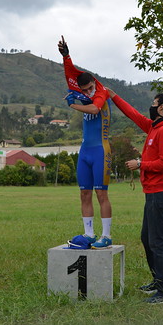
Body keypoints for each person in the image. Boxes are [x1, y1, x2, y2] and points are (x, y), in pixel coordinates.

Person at [107, 88, 163, 304]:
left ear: (161, 107)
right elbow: (133, 115)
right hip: (152, 193)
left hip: (160, 192)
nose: (151, 105)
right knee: (147, 238)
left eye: (154, 102)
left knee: (157, 242)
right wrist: (114, 96)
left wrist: (140, 164)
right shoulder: (153, 127)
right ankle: (159, 280)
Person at [58, 36, 113, 249]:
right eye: (84, 90)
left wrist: (73, 105)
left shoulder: (101, 92)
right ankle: (89, 234)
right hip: (85, 151)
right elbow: (70, 70)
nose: (88, 92)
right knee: (84, 193)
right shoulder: (80, 86)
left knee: (101, 193)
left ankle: (106, 235)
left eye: (89, 88)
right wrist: (65, 54)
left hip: (101, 150)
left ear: (94, 84)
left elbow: (94, 109)